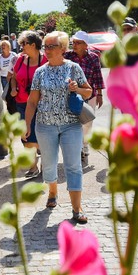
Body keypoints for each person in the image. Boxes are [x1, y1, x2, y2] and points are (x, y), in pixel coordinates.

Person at [25, 31, 93, 223]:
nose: (46, 50)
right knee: (48, 163)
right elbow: (32, 102)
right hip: (45, 126)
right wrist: (27, 124)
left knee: (73, 166)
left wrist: (76, 89)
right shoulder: (40, 72)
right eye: (45, 46)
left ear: (63, 49)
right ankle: (53, 192)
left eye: (51, 46)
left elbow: (88, 92)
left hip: (70, 125)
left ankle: (76, 208)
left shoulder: (74, 68)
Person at [10, 31, 47, 178]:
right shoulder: (20, 60)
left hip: (42, 105)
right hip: (21, 103)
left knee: (43, 135)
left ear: (33, 45)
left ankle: (46, 165)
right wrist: (13, 88)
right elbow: (13, 77)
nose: (21, 46)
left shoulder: (45, 60)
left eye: (24, 43)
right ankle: (33, 167)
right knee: (26, 136)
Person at [65, 31, 105, 164]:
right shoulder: (68, 56)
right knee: (73, 123)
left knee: (87, 123)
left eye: (78, 43)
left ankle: (85, 146)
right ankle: (77, 149)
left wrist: (99, 94)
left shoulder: (93, 57)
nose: (74, 45)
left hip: (90, 94)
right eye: (74, 42)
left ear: (85, 45)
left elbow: (98, 76)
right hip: (72, 94)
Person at [0, 40, 18, 114]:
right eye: (2, 45)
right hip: (4, 78)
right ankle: (9, 108)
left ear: (8, 47)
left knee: (14, 93)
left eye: (4, 45)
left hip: (13, 78)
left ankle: (15, 108)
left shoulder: (14, 55)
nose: (2, 47)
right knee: (7, 95)